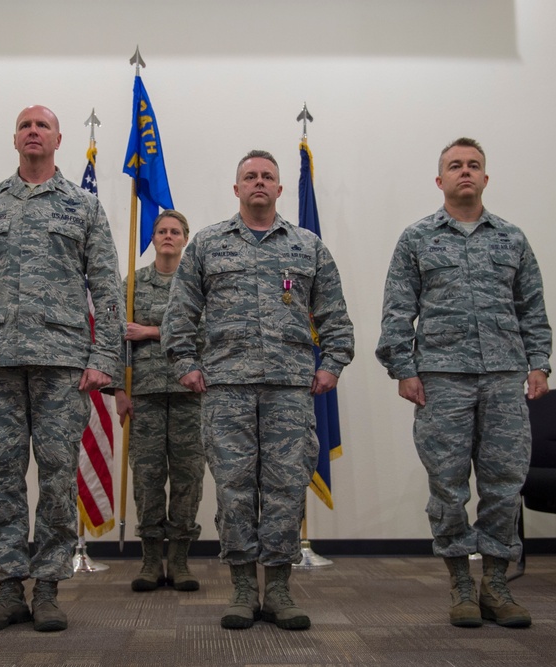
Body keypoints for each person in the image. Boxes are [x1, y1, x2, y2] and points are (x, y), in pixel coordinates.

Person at [0, 105, 123, 633]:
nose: (33, 132)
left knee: (58, 478)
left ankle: (47, 588)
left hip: (62, 363)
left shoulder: (82, 207)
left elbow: (107, 290)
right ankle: (7, 590)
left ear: (59, 139)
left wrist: (103, 359)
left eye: (42, 125)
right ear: (14, 139)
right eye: (25, 125)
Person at [161, 150, 354, 631]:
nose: (259, 183)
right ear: (236, 188)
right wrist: (185, 364)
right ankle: (245, 589)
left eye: (268, 176)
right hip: (226, 388)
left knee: (286, 488)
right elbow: (179, 314)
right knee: (234, 490)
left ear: (281, 188)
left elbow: (334, 315)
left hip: (290, 388)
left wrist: (331, 365)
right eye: (250, 176)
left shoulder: (308, 247)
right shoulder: (207, 244)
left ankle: (281, 589)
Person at [375, 137, 552, 629]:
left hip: (503, 378)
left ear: (486, 178)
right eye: (455, 166)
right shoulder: (417, 238)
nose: (465, 172)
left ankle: (495, 585)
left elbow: (532, 308)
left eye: (474, 165)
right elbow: (397, 310)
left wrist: (539, 364)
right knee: (448, 487)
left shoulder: (512, 239)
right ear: (440, 180)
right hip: (441, 381)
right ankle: (459, 584)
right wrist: (403, 369)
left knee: (504, 486)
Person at [113, 210, 206, 593]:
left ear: (186, 238)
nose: (168, 237)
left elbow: (208, 334)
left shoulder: (199, 284)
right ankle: (151, 560)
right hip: (145, 395)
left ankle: (180, 561)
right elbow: (116, 337)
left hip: (190, 393)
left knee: (188, 479)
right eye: (162, 231)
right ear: (152, 238)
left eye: (175, 232)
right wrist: (119, 391)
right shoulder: (131, 285)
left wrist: (151, 331)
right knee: (148, 480)